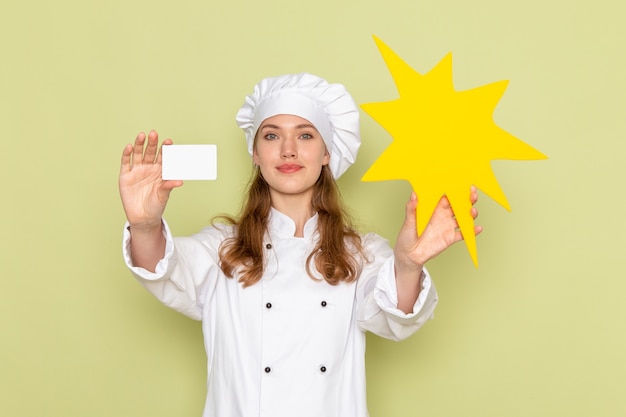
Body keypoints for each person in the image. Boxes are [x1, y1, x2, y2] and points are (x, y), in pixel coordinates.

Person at [119, 73, 481, 417]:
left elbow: (395, 315)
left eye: (306, 136)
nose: (288, 150)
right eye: (272, 136)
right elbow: (162, 269)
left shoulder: (362, 254)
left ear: (327, 153)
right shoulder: (221, 250)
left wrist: (407, 264)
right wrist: (145, 225)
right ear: (255, 154)